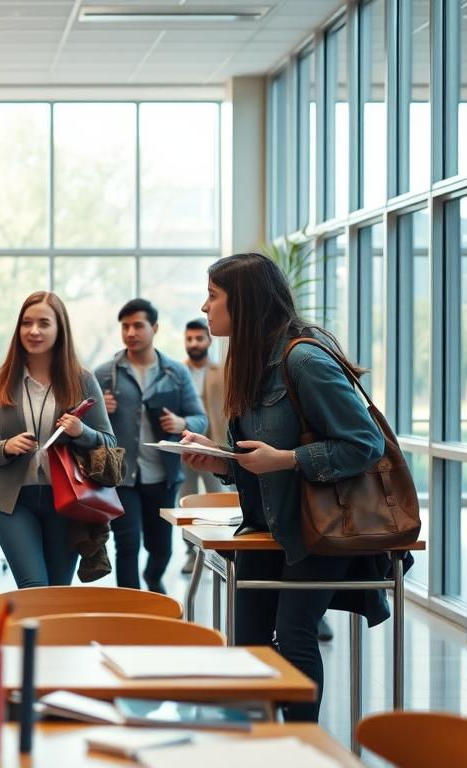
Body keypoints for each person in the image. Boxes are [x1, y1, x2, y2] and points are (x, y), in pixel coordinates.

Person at [181, 252, 390, 723]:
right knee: (249, 644)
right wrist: (221, 459)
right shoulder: (250, 361)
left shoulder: (304, 359)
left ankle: (300, 747)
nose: (204, 306)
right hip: (267, 525)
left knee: (295, 634)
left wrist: (289, 459)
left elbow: (365, 444)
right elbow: (259, 461)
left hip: (317, 528)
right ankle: (258, 747)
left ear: (246, 302)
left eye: (213, 296)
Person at [0, 291, 116, 587]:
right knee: (34, 589)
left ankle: (48, 636)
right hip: (12, 502)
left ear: (59, 329)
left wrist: (80, 432)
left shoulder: (82, 380)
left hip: (66, 501)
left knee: (58, 594)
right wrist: (4, 447)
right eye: (26, 323)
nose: (34, 331)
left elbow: (108, 443)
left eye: (43, 323)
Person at [95, 299, 206, 593]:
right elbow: (83, 425)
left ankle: (154, 578)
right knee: (127, 544)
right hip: (121, 476)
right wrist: (99, 412)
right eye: (125, 326)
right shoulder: (105, 373)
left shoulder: (175, 372)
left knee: (161, 548)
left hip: (164, 474)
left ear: (154, 328)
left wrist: (182, 424)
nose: (130, 332)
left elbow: (200, 419)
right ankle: (131, 607)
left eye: (137, 325)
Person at [178, 317, 226, 575]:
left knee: (217, 498)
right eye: (189, 338)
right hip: (185, 447)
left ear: (208, 340)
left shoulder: (224, 370)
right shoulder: (177, 371)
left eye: (199, 338)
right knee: (186, 500)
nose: (194, 343)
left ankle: (220, 550)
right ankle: (190, 553)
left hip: (215, 446)